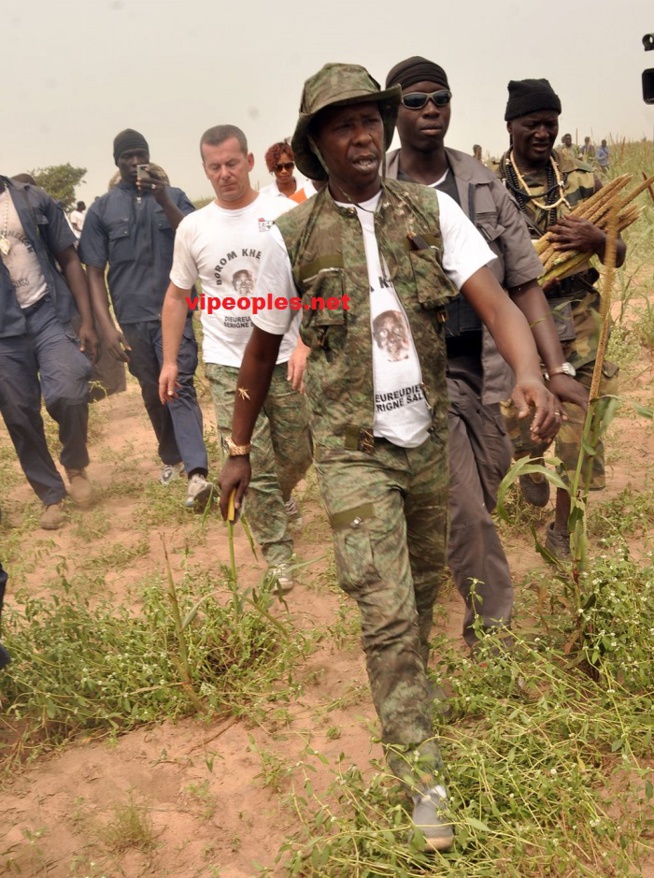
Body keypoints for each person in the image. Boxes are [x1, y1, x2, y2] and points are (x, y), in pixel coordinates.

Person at [217, 63, 560, 852]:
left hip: (427, 443)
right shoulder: (291, 240)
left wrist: (531, 373)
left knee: (424, 596)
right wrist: (237, 449)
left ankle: (412, 691)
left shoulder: (431, 212)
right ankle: (423, 780)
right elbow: (261, 352)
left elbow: (495, 300)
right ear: (316, 144)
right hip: (351, 455)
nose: (363, 135)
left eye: (370, 120)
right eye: (343, 125)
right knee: (386, 612)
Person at [384, 56, 587, 648]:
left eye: (440, 98)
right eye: (415, 100)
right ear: (393, 110)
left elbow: (523, 284)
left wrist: (553, 369)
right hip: (413, 373)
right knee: (467, 508)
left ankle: (441, 546)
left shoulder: (481, 185)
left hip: (485, 369)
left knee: (488, 483)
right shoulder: (373, 189)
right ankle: (492, 635)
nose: (430, 110)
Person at [159, 125, 311, 590]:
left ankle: (277, 495)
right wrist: (170, 361)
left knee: (299, 450)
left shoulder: (283, 213)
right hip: (228, 362)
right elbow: (177, 297)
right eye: (214, 167)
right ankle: (278, 555)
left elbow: (311, 283)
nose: (224, 173)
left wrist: (304, 343)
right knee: (249, 456)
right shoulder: (194, 228)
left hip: (285, 354)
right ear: (205, 170)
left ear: (248, 162)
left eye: (231, 163)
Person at [496, 79, 625, 559]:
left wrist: (598, 240)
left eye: (550, 124)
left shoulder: (583, 180)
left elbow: (619, 254)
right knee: (518, 420)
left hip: (581, 316)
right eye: (532, 124)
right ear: (511, 126)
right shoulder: (489, 187)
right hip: (519, 321)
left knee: (579, 426)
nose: (543, 133)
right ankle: (528, 462)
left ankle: (563, 530)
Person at [79, 129, 213, 510]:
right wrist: (107, 328)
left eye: (141, 154)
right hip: (131, 319)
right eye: (127, 156)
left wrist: (162, 198)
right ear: (116, 161)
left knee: (179, 386)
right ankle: (171, 457)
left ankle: (197, 474)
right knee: (153, 392)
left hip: (175, 312)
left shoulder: (174, 197)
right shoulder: (102, 210)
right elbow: (93, 272)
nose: (135, 162)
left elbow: (195, 238)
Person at [0, 175, 97, 529]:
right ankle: (51, 495)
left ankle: (75, 465)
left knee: (69, 391)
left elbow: (69, 259)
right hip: (4, 334)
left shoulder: (31, 199)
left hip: (48, 313)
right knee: (19, 414)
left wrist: (87, 320)